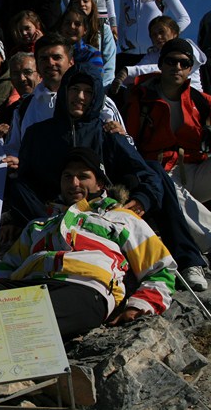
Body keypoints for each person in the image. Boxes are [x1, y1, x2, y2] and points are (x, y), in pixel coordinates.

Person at [0, 147, 176, 340]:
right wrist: (0, 289)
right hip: (28, 289)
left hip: (84, 290)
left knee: (35, 311)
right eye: (67, 176)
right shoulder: (39, 225)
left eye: (83, 176)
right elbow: (7, 269)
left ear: (100, 183)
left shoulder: (120, 218)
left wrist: (137, 306)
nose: (74, 182)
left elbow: (161, 269)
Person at [15, 62, 208, 291]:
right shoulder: (38, 134)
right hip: (54, 213)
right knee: (16, 184)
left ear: (96, 97)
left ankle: (188, 260)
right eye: (74, 89)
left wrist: (141, 201)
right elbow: (25, 180)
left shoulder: (106, 132)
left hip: (105, 210)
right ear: (64, 91)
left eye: (88, 92)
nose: (80, 97)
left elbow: (145, 173)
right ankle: (50, 239)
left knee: (156, 171)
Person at [126, 38, 211, 271]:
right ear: (161, 64)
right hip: (161, 171)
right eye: (172, 61)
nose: (178, 68)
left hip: (195, 168)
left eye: (185, 63)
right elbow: (129, 141)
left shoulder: (199, 100)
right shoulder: (140, 97)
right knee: (172, 191)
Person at [115, 16, 206, 93]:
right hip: (166, 99)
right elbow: (138, 70)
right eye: (154, 35)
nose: (158, 37)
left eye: (161, 32)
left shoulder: (185, 46)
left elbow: (169, 68)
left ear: (174, 33)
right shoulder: (153, 55)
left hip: (192, 98)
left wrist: (129, 71)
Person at [68, 0, 117, 87]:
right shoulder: (67, 30)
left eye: (85, 1)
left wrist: (101, 90)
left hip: (99, 86)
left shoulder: (104, 30)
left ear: (92, 4)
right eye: (77, 2)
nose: (81, 4)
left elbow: (109, 66)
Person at [58, 5, 105, 83]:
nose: (72, 27)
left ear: (85, 30)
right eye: (67, 23)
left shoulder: (91, 54)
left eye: (77, 24)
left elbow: (95, 80)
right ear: (61, 27)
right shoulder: (54, 52)